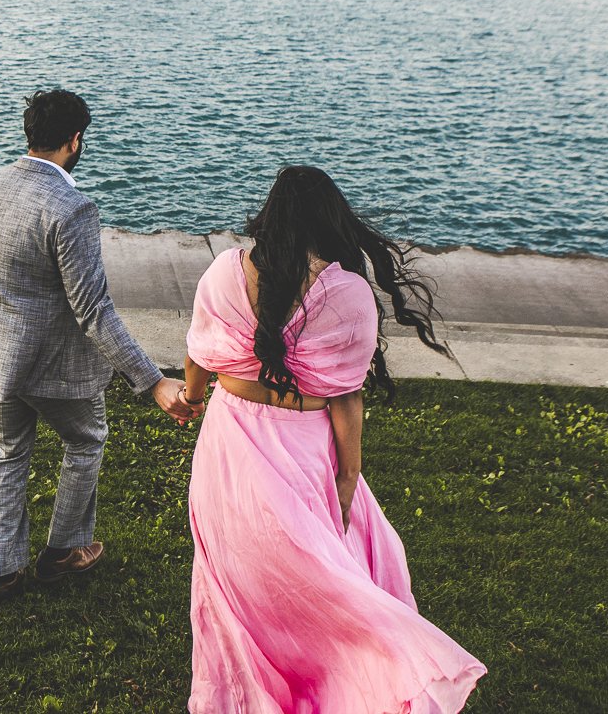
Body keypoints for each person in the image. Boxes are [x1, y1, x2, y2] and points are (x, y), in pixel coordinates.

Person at [179, 165, 486, 713]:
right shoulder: (346, 293)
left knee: (238, 570)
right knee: (318, 567)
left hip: (229, 438)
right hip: (302, 446)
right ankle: (351, 674)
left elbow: (199, 355)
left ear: (270, 215)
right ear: (330, 219)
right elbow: (346, 397)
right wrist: (348, 475)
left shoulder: (224, 272)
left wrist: (192, 397)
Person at [0, 89, 192, 605]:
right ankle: (62, 552)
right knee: (86, 441)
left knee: (7, 453)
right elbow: (94, 310)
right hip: (57, 368)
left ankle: (3, 573)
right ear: (75, 140)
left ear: (29, 134)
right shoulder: (73, 208)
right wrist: (153, 381)